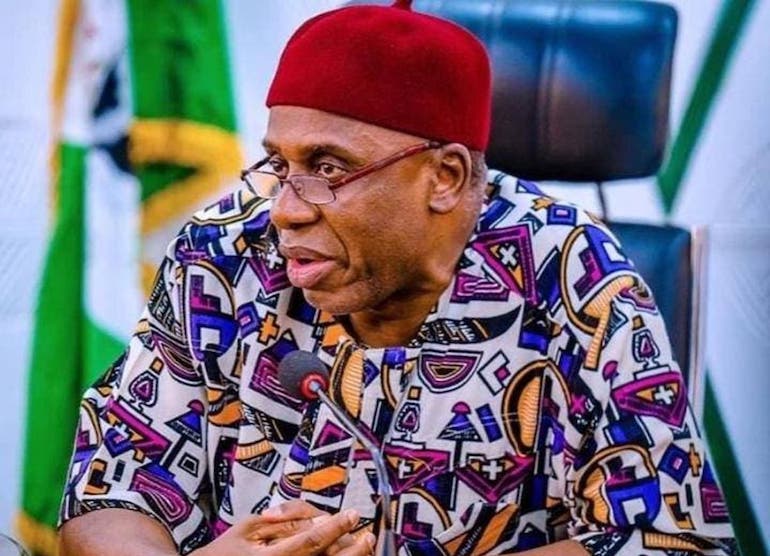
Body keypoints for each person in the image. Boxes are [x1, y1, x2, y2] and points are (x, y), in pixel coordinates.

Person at [58, 1, 736, 555]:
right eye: (279, 165)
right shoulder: (226, 250)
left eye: (328, 168)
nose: (286, 208)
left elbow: (670, 539)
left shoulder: (570, 268)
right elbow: (108, 490)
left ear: (445, 178)